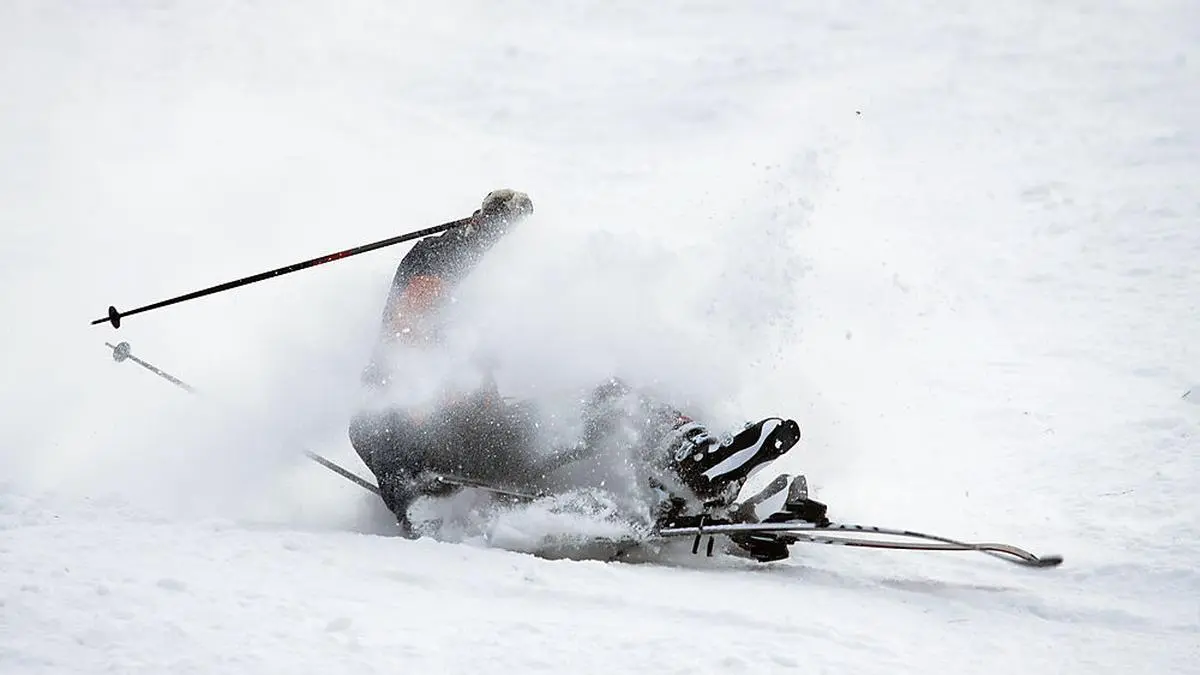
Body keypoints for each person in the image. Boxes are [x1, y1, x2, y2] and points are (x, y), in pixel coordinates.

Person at [348, 189, 805, 545]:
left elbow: (450, 264)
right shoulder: (382, 400)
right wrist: (424, 506)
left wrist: (492, 225)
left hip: (500, 440)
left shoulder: (453, 338)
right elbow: (403, 482)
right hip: (480, 461)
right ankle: (696, 474)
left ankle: (697, 475)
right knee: (613, 404)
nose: (430, 305)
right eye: (418, 295)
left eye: (438, 293)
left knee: (616, 397)